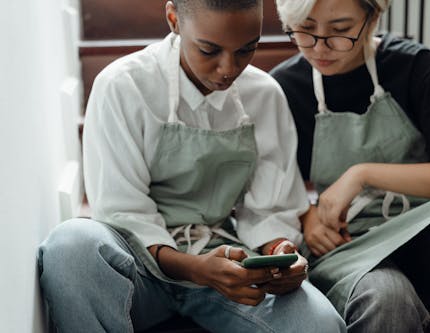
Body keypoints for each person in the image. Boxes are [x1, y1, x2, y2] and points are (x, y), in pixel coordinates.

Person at [37, 1, 347, 332]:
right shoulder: (123, 86)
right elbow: (121, 212)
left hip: (228, 261)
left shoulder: (264, 94)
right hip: (139, 265)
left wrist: (280, 254)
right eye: (209, 50)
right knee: (70, 247)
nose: (229, 68)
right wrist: (196, 268)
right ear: (174, 19)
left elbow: (269, 210)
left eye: (246, 50)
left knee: (320, 323)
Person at [270, 0, 430, 332]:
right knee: (386, 299)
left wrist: (363, 174)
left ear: (373, 16)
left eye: (340, 30)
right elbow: (269, 190)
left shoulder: (414, 65)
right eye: (305, 29)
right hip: (350, 248)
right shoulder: (283, 87)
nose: (320, 47)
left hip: (428, 234)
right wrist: (307, 219)